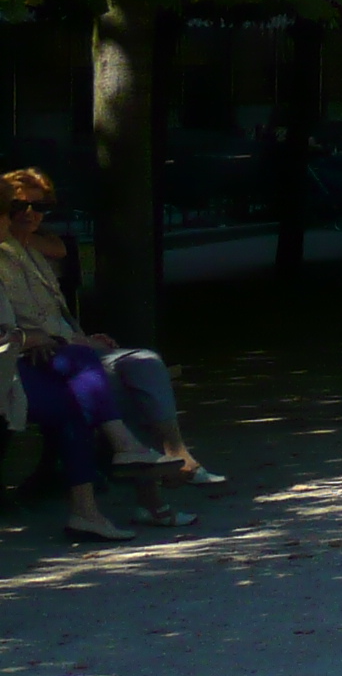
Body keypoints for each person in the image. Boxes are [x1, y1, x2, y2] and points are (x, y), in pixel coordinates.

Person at [1, 172, 188, 540]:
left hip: (50, 357)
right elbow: (19, 331)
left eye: (38, 207)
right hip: (20, 365)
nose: (27, 215)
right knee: (103, 381)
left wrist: (75, 336)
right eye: (16, 207)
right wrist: (43, 337)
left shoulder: (29, 252)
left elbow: (49, 313)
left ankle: (96, 503)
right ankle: (141, 477)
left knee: (135, 366)